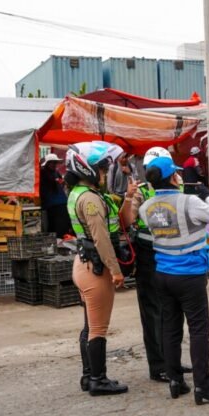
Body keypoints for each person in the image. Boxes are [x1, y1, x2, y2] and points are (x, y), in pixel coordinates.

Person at [140, 156, 209, 405]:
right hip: (190, 275)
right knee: (199, 330)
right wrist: (208, 194)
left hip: (163, 274)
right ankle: (203, 385)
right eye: (177, 174)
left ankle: (175, 380)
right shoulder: (189, 201)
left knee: (171, 328)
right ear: (172, 177)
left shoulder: (145, 207)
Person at [121, 146, 191, 383]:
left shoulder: (177, 185)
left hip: (171, 252)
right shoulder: (141, 192)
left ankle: (172, 361)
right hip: (148, 254)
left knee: (172, 310)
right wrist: (129, 196)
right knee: (153, 311)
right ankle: (158, 366)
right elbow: (128, 220)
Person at [64, 141, 128, 396]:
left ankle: (88, 376)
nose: (104, 174)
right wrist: (115, 270)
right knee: (98, 327)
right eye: (101, 169)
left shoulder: (78, 193)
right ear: (88, 169)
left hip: (83, 263)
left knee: (89, 325)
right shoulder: (90, 199)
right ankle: (98, 380)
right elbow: (101, 238)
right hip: (95, 268)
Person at [39, 153, 71, 237]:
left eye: (55, 162)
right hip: (51, 204)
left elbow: (61, 182)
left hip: (61, 202)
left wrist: (62, 182)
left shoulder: (56, 172)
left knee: (62, 226)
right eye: (52, 162)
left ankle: (61, 242)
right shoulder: (42, 172)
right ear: (47, 163)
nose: (54, 164)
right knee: (54, 226)